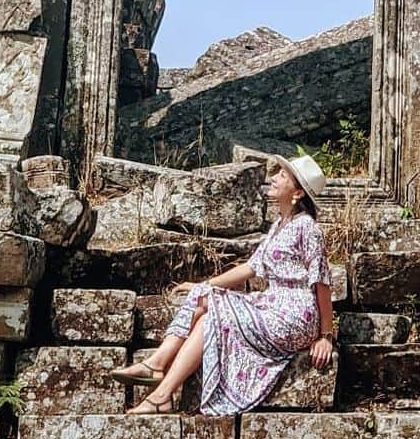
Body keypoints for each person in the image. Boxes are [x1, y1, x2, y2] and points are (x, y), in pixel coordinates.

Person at [108, 155, 335, 415]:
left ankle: (158, 373)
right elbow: (251, 267)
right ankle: (161, 387)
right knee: (206, 306)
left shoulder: (307, 228)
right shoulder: (279, 226)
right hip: (272, 306)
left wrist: (326, 336)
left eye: (282, 176)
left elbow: (321, 282)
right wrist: (202, 283)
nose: (273, 178)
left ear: (297, 193)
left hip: (294, 317)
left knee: (211, 307)